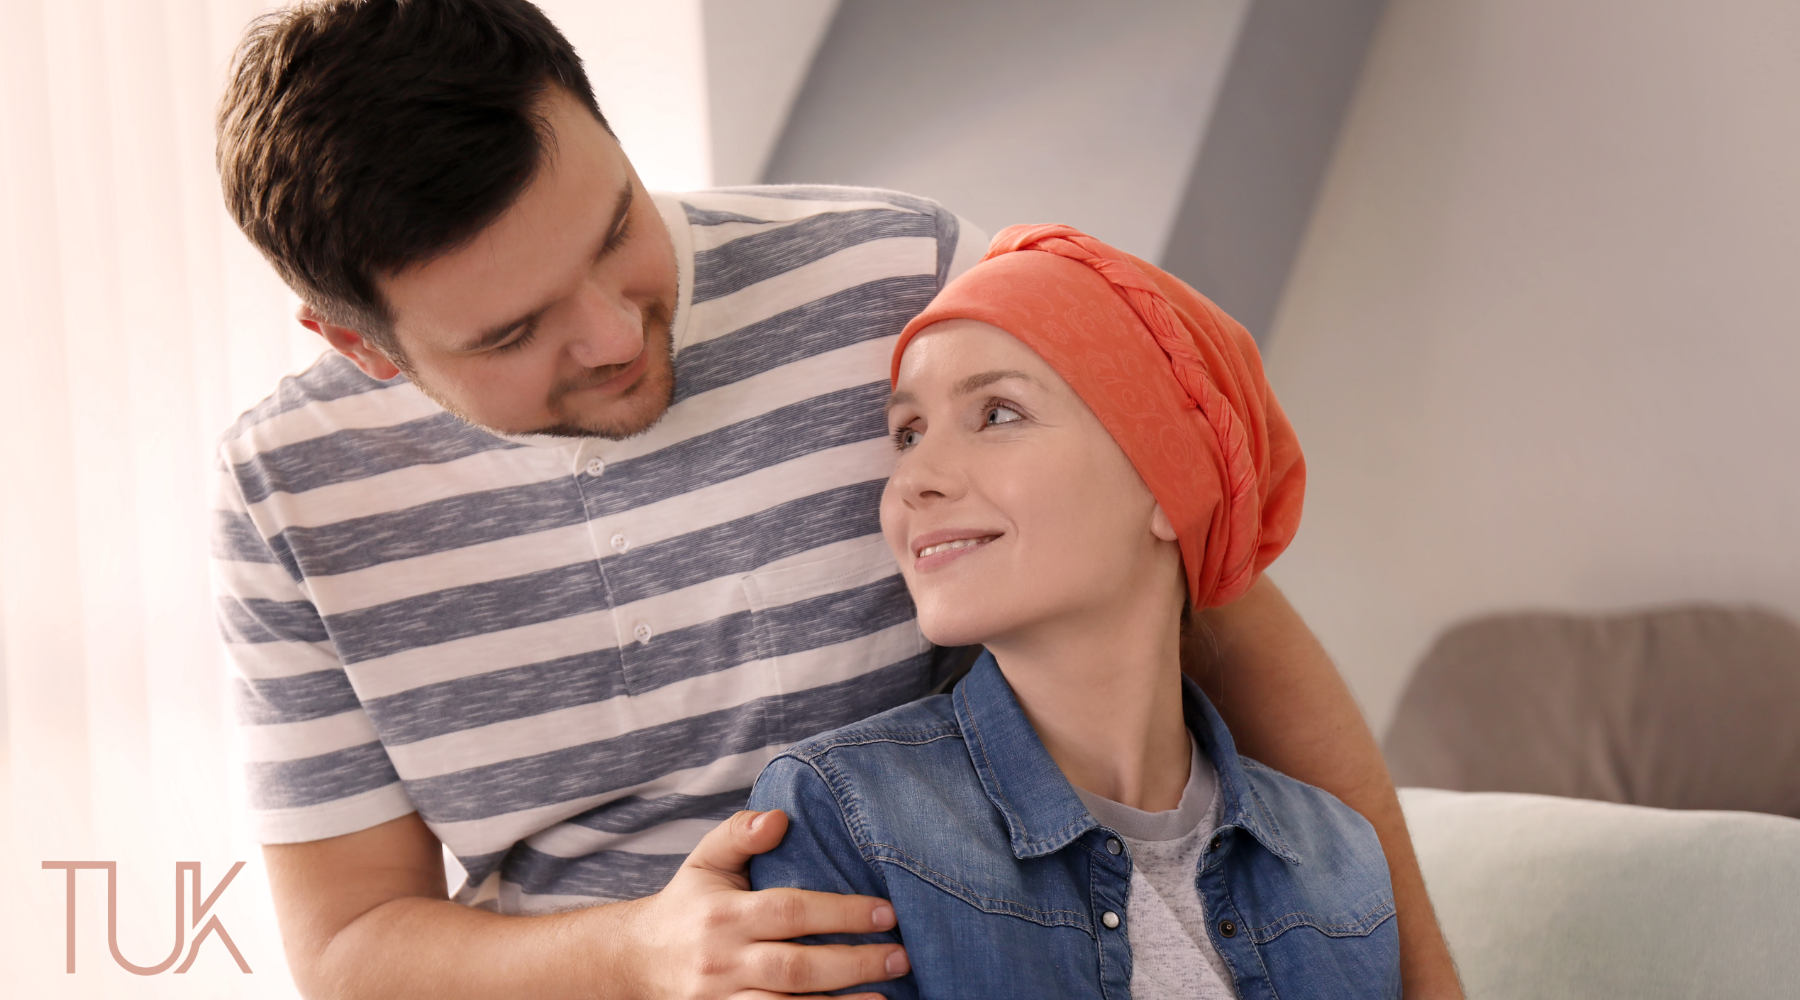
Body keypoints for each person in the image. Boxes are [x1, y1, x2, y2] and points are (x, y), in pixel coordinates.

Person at [210, 1, 1458, 997]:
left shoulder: (898, 273)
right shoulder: (286, 493)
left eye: (611, 229)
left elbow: (1219, 607)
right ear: (362, 345)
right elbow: (353, 944)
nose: (609, 333)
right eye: (515, 329)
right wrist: (643, 956)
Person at [746, 224, 1405, 999]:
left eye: (997, 414)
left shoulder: (1343, 863)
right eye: (907, 434)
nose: (914, 478)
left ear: (1170, 488)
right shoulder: (839, 817)